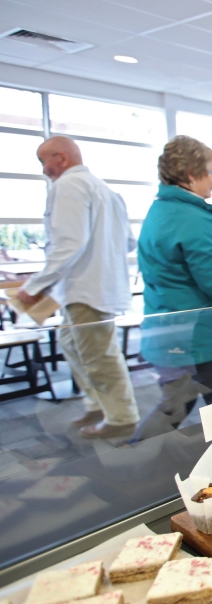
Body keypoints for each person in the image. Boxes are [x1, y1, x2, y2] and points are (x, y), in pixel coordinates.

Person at [131, 136, 212, 441]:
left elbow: (184, 264)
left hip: (171, 329)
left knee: (176, 403)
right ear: (191, 175)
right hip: (201, 337)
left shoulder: (165, 210)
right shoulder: (195, 219)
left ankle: (132, 461)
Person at [18, 136, 140, 437]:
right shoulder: (106, 191)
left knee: (99, 355)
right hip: (97, 286)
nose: (44, 169)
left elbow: (68, 243)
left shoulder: (68, 186)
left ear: (61, 157)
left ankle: (121, 418)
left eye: (44, 161)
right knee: (73, 345)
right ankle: (98, 404)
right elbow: (127, 242)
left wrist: (35, 285)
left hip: (87, 289)